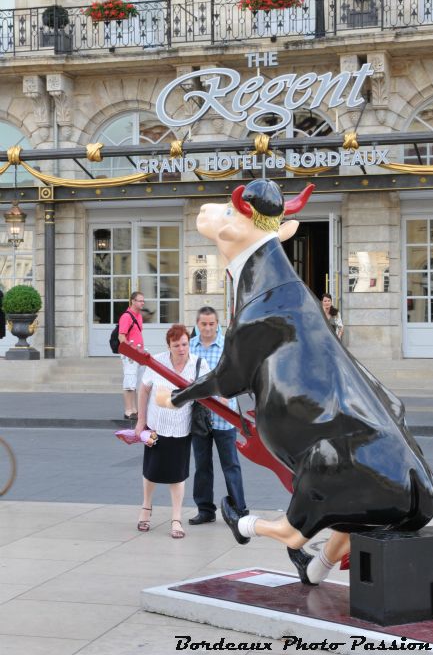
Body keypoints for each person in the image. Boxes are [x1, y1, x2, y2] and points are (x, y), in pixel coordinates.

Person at [154, 179, 433, 584]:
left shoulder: (262, 308)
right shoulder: (288, 295)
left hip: (343, 454)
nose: (213, 215)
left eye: (228, 213)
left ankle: (248, 526)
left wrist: (176, 398)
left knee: (312, 512)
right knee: (351, 514)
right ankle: (316, 572)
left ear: (238, 231)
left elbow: (229, 379)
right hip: (402, 481)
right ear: (281, 230)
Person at [134, 324, 209, 538]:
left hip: (181, 428)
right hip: (156, 426)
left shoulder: (198, 365)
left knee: (178, 475)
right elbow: (144, 389)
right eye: (176, 345)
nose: (181, 349)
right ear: (169, 346)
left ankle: (176, 519)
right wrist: (141, 421)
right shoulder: (157, 362)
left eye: (184, 344)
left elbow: (210, 392)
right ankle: (146, 508)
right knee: (151, 471)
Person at [188, 306, 248, 526]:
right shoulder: (190, 346)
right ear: (197, 324)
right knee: (202, 465)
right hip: (199, 416)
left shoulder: (227, 346)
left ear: (217, 324)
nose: (207, 328)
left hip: (224, 414)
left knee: (230, 464)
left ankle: (240, 509)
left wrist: (226, 396)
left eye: (211, 323)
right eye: (203, 324)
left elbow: (238, 376)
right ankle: (205, 509)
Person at [118, 291, 146, 420]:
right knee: (129, 383)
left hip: (138, 353)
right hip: (130, 355)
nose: (142, 303)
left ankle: (135, 409)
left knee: (137, 383)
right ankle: (128, 411)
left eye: (143, 301)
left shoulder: (139, 316)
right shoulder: (126, 316)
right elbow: (121, 336)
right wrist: (130, 352)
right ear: (133, 301)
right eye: (140, 300)